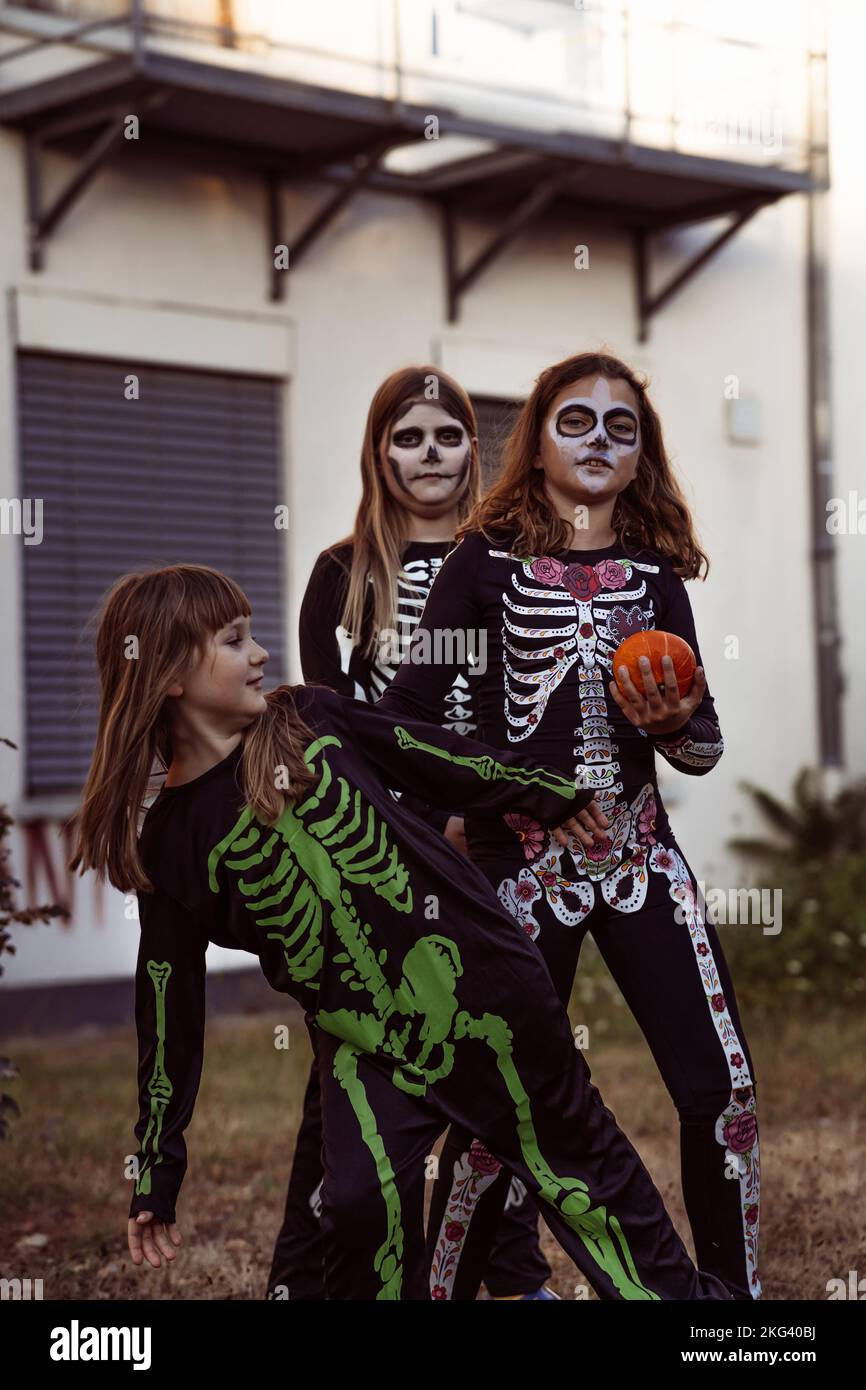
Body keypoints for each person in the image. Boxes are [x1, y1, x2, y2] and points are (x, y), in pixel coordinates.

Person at [68, 562, 743, 1301]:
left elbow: (431, 754)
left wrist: (544, 790)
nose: (260, 653)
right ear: (167, 672)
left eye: (253, 635)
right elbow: (168, 1014)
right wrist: (156, 1172)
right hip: (364, 1047)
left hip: (485, 992)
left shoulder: (308, 719)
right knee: (360, 1206)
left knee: (589, 1185)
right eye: (234, 641)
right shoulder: (166, 845)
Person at [378, 351, 761, 1301]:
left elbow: (703, 745)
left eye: (621, 427)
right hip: (518, 878)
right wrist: (472, 815)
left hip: (642, 865)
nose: (600, 439)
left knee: (728, 1093)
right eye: (577, 420)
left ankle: (728, 1313)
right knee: (493, 1115)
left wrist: (675, 727)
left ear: (641, 457)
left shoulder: (653, 573)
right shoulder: (484, 564)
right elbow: (411, 720)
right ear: (538, 439)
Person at [268, 365, 555, 1300]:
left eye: (447, 435)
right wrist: (402, 838)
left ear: (476, 449)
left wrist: (494, 820)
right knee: (347, 1073)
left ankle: (508, 1275)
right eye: (407, 437)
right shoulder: (340, 574)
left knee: (501, 1062)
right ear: (379, 454)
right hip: (384, 855)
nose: (429, 454)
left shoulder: (512, 564)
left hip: (501, 841)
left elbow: (529, 711)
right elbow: (326, 732)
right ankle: (302, 1279)